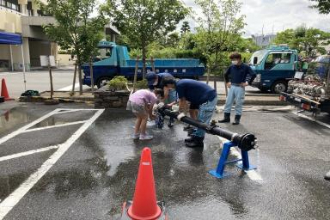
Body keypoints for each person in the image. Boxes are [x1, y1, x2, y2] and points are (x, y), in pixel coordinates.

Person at [163, 78, 217, 148]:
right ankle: (195, 136)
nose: (168, 89)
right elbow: (180, 98)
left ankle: (199, 141)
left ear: (169, 84)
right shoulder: (179, 84)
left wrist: (180, 112)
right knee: (192, 111)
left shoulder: (179, 85)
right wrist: (172, 105)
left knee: (202, 121)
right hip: (199, 97)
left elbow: (182, 100)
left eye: (167, 87)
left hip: (208, 98)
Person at [219, 52, 256, 125]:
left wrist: (247, 83)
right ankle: (226, 118)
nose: (233, 61)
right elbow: (225, 74)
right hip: (232, 86)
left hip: (240, 87)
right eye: (232, 59)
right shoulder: (232, 66)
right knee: (228, 102)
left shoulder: (245, 67)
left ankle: (237, 119)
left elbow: (253, 74)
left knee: (239, 103)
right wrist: (227, 82)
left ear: (239, 59)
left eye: (234, 59)